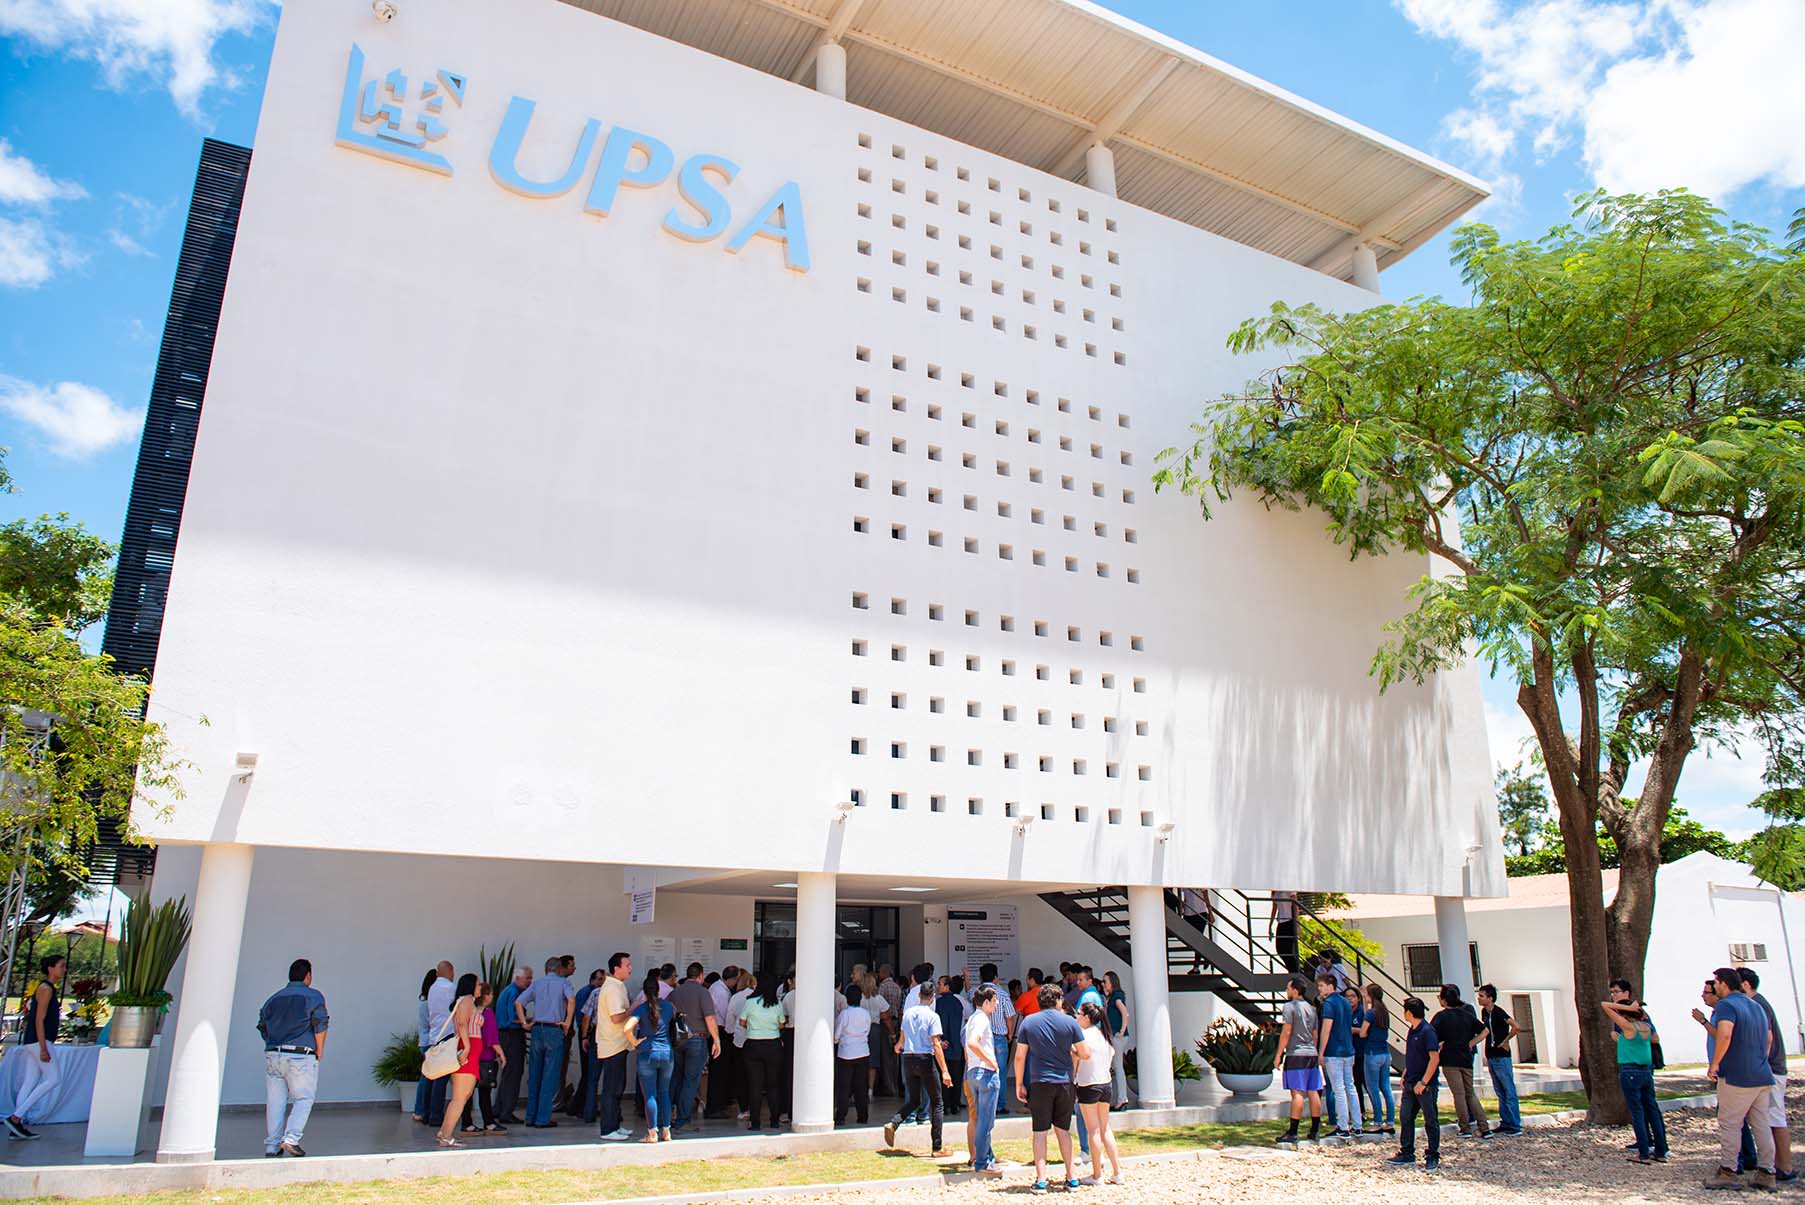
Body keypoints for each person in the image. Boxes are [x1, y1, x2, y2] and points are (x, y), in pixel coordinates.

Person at [1704, 965, 1777, 1190]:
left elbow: (1725, 1034)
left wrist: (1715, 1063)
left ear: (1723, 984)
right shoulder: (1755, 1005)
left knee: (1730, 1124)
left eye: (1715, 983)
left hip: (1736, 1076)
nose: (1714, 987)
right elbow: (1768, 1037)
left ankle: (1728, 1171)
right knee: (1761, 1125)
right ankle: (1767, 1172)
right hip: (1761, 1075)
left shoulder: (1726, 1005)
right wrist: (1760, 1060)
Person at [251, 958, 329, 1157]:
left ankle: (272, 1145)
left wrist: (272, 1042)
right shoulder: (313, 996)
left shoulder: (274, 998)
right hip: (300, 1055)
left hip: (273, 1054)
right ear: (308, 976)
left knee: (275, 1101)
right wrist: (319, 1049)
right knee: (303, 1098)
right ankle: (291, 1139)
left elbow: (262, 1024)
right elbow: (320, 1023)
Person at [1014, 982, 1086, 1194]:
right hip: (1064, 1081)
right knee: (1063, 1130)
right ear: (1057, 1000)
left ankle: (1041, 1179)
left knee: (1039, 1132)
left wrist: (1019, 1083)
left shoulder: (1029, 1022)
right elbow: (1082, 1052)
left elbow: (1020, 1056)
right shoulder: (1069, 1022)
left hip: (1040, 1081)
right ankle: (1071, 1177)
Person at [1601, 978, 1667, 1164]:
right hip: (1645, 1071)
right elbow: (1654, 1038)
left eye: (1616, 991)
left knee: (1637, 1111)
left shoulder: (1627, 1027)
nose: (1613, 995)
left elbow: (1605, 1006)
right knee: (1650, 1107)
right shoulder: (1645, 1026)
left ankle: (1644, 1152)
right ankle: (1660, 1149)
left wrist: (1628, 1012)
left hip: (1630, 1070)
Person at [1738, 969, 1795, 1182]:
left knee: (1775, 1119)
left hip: (1770, 1070)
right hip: (1769, 1069)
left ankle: (1785, 1167)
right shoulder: (1757, 1003)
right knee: (1769, 1119)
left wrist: (1758, 1063)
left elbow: (1767, 1039)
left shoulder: (1757, 1005)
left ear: (1745, 984)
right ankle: (1775, 1165)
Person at [883, 981, 952, 1155]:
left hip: (908, 1058)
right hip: (925, 1059)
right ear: (933, 997)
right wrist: (944, 1070)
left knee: (914, 1100)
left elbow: (902, 1039)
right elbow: (935, 1044)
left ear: (919, 995)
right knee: (937, 1102)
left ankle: (894, 1122)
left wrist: (898, 1046)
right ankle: (937, 1146)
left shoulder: (907, 1014)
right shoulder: (932, 1016)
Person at [1386, 996, 1441, 1172]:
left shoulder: (1427, 1031)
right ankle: (1407, 1151)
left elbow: (1434, 1058)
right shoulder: (1412, 1030)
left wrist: (1424, 1082)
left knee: (1430, 1119)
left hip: (1425, 1085)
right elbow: (1412, 1055)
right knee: (1406, 1117)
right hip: (1410, 1082)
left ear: (1409, 1012)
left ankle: (1432, 1154)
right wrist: (1405, 1074)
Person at [518, 955, 573, 1128]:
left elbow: (518, 1002)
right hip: (554, 1029)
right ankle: (543, 1118)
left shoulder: (537, 984)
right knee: (550, 1076)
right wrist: (567, 1023)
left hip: (537, 1029)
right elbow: (571, 1000)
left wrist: (524, 1023)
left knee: (535, 1074)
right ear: (559, 969)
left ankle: (530, 1115)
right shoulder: (564, 983)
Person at [1430, 983, 1491, 1138]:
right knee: (1470, 1093)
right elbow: (1485, 1030)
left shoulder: (1441, 1017)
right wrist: (1471, 1043)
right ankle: (1484, 1127)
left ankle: (1465, 1128)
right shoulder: (1466, 1015)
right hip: (1466, 1058)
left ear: (1444, 1000)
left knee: (1458, 1094)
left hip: (1450, 1060)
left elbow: (1431, 1035)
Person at [668, 962, 720, 1135]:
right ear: (701, 976)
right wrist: (716, 1040)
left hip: (677, 1039)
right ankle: (683, 1120)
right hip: (697, 1039)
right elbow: (710, 1018)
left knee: (676, 1079)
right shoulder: (703, 992)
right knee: (691, 1080)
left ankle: (669, 1116)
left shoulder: (675, 992)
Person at [1272, 973, 1324, 1144]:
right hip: (1311, 1053)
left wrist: (1279, 1054)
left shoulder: (1289, 1007)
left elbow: (1286, 1031)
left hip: (1296, 1054)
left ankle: (1293, 1131)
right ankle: (1315, 1129)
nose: (1286, 991)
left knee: (1297, 1093)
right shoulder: (1312, 1009)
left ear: (1295, 990)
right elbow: (1315, 1034)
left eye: (1288, 988)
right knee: (1313, 1091)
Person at [1075, 1002, 1122, 1185]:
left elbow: (1080, 1055)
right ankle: (1117, 1172)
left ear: (1087, 1017)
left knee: (1093, 1130)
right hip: (1106, 1085)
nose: (1077, 1017)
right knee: (1105, 1128)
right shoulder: (1104, 1036)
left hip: (1089, 1084)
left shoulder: (1083, 1036)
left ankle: (1096, 1175)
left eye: (1079, 1013)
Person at [627, 970, 676, 1142]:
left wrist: (634, 1042)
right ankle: (667, 1130)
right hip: (666, 1053)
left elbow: (627, 1028)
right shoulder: (669, 1007)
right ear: (658, 990)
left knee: (650, 1095)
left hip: (647, 1052)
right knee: (664, 1093)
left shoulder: (641, 1008)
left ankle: (652, 1132)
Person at [590, 951, 634, 1142]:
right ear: (616, 969)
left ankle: (615, 1124)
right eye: (627, 965)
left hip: (619, 1044)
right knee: (611, 1088)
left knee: (617, 1087)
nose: (630, 968)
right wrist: (635, 1007)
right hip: (613, 1045)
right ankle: (608, 1128)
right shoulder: (613, 988)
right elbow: (616, 1017)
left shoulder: (617, 986)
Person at [435, 973, 482, 1147]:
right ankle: (446, 1136)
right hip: (468, 1049)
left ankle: (444, 1131)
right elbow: (462, 1023)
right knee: (460, 1097)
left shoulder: (467, 1001)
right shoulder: (467, 1000)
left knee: (464, 1094)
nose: (480, 988)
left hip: (472, 1050)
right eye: (478, 984)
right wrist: (468, 1047)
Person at [739, 973, 787, 1132]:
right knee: (773, 1085)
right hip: (773, 1045)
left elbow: (742, 1022)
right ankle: (774, 1120)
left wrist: (754, 1027)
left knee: (755, 1085)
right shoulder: (777, 1004)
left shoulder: (750, 1002)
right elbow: (781, 1024)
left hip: (753, 1044)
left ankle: (756, 1122)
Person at [963, 986, 1002, 1173]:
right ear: (986, 1002)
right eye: (994, 1002)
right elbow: (972, 1042)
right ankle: (982, 1161)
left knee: (980, 1119)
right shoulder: (982, 1020)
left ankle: (988, 1156)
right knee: (986, 1120)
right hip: (985, 1072)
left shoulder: (971, 1019)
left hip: (972, 1071)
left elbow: (967, 1045)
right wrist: (991, 1060)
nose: (996, 1006)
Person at [1475, 983, 1523, 1136]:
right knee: (1500, 1090)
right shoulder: (1484, 1012)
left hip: (1501, 1056)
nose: (1479, 998)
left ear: (1490, 998)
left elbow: (1516, 1026)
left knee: (1508, 1089)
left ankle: (1515, 1124)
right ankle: (1506, 1121)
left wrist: (1506, 1040)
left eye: (1482, 996)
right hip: (1491, 1054)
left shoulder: (1498, 1012)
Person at [1317, 970, 1358, 1137]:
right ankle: (1357, 1124)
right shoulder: (1345, 1002)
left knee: (1338, 1088)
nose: (1319, 989)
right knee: (1350, 1087)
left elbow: (1326, 1029)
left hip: (1334, 1050)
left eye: (1321, 985)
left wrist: (1321, 1051)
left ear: (1330, 986)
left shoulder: (1329, 1004)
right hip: (1348, 1049)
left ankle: (1342, 1126)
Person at [463, 981, 506, 1134]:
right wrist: (501, 1053)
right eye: (491, 993)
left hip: (471, 1056)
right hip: (485, 1057)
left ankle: (467, 1122)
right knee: (485, 1092)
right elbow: (491, 1037)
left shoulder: (470, 1012)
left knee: (467, 1091)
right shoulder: (487, 1014)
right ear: (486, 996)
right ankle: (489, 1122)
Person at [976, 963, 1016, 1115]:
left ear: (980, 977)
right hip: (999, 1037)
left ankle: (984, 1104)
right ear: (995, 977)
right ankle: (1000, 1104)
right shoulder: (1003, 994)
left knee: (983, 1070)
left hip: (982, 1038)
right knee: (1000, 1071)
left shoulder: (976, 992)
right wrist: (1010, 1034)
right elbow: (1010, 1016)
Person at [493, 964, 531, 1123]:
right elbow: (509, 1018)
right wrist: (525, 1022)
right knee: (513, 1074)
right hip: (511, 1035)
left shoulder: (509, 991)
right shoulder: (515, 993)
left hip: (505, 1035)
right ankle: (507, 1112)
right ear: (517, 978)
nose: (530, 981)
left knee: (508, 1073)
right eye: (527, 978)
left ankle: (499, 1108)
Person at [422, 960, 456, 1127]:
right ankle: (436, 1115)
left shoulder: (432, 989)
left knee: (431, 1076)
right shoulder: (450, 988)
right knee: (441, 1078)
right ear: (450, 971)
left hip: (434, 1035)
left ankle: (426, 1113)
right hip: (447, 1034)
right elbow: (456, 1008)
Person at [1360, 982, 1396, 1136]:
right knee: (1386, 1087)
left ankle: (1377, 1121)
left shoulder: (1371, 1013)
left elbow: (1362, 1033)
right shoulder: (1384, 1012)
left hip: (1372, 1053)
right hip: (1385, 1053)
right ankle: (1390, 1121)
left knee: (1373, 1088)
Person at [835, 983, 872, 1126]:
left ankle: (841, 1116)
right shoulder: (865, 1014)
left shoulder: (844, 1014)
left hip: (846, 1053)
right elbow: (867, 1031)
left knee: (844, 1087)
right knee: (861, 1087)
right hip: (862, 1051)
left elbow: (837, 1033)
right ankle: (863, 1116)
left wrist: (837, 1040)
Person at [569, 968, 604, 1119]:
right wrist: (585, 1035)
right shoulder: (588, 992)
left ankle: (580, 1106)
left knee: (589, 1073)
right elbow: (584, 1016)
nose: (603, 982)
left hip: (588, 1034)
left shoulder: (592, 992)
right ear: (593, 980)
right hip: (589, 1035)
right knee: (589, 1073)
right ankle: (579, 1107)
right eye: (600, 979)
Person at [705, 966, 739, 1120]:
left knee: (718, 1070)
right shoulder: (721, 991)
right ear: (732, 979)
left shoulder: (717, 987)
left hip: (717, 1030)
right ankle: (715, 1107)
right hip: (720, 1031)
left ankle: (715, 1106)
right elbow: (726, 1014)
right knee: (719, 1071)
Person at [857, 970, 889, 1102]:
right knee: (873, 1060)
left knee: (860, 1058)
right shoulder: (879, 998)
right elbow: (886, 1015)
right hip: (875, 1028)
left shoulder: (860, 998)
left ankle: (860, 1087)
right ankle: (870, 1089)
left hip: (861, 1029)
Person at [936, 977, 967, 1116]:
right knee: (956, 1077)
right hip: (956, 1045)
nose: (937, 986)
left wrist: (941, 1040)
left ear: (947, 986)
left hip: (942, 1045)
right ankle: (955, 1105)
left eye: (940, 984)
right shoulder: (958, 1003)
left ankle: (945, 1105)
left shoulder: (938, 1003)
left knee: (943, 1075)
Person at [1103, 971, 1131, 1110]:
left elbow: (1125, 1013)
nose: (1103, 984)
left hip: (1117, 1036)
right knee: (1116, 1066)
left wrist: (1121, 1030)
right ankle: (1120, 1098)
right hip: (1114, 1035)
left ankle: (1122, 1098)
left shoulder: (1117, 997)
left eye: (1105, 982)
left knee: (1118, 1067)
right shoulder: (1112, 997)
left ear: (1112, 983)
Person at [1272, 892, 1299, 972]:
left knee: (1287, 950)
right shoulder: (1275, 891)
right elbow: (1274, 908)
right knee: (1280, 949)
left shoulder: (1288, 888)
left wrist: (1297, 922)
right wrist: (1270, 924)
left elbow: (1295, 904)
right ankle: (1292, 971)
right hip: (1281, 921)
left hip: (1289, 920)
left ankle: (1294, 971)